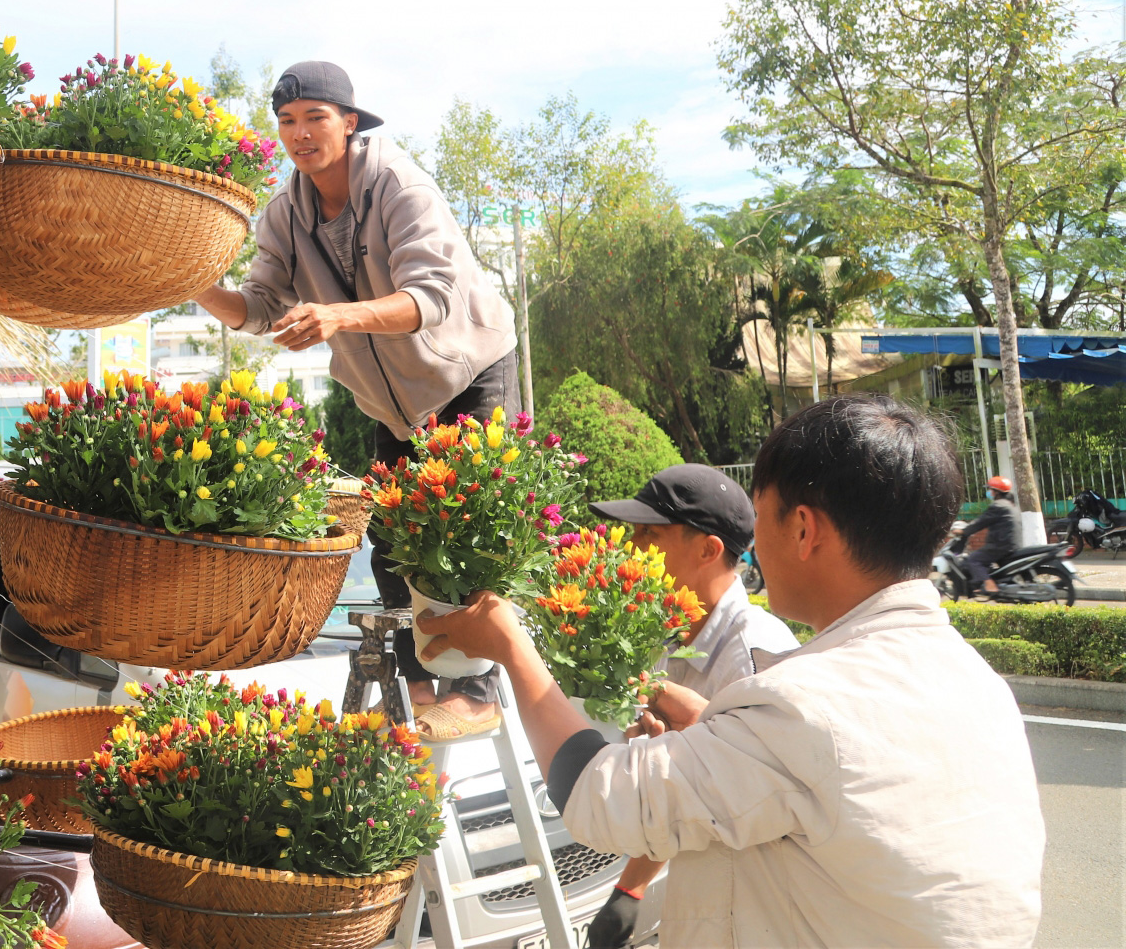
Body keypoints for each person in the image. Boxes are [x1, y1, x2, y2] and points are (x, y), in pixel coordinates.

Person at [416, 395, 1044, 947]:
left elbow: (599, 798)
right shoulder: (978, 683)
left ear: (802, 528)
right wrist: (712, 729)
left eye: (763, 514)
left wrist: (512, 648)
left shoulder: (799, 699)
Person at [193, 61, 518, 739]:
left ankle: (478, 688)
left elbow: (431, 299)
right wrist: (192, 281)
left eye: (315, 117)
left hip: (466, 371)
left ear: (349, 121)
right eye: (287, 121)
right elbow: (257, 307)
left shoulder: (399, 184)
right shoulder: (286, 213)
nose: (300, 133)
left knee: (466, 527)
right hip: (390, 401)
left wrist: (338, 318)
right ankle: (422, 680)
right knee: (395, 541)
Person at [579, 464, 801, 949]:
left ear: (708, 549)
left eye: (648, 533)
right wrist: (629, 888)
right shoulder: (669, 633)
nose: (631, 546)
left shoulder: (756, 656)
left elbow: (761, 799)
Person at [958, 475, 1019, 597]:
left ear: (996, 492)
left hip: (1000, 545)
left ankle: (990, 585)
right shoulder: (1010, 505)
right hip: (1011, 544)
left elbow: (981, 522)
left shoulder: (998, 506)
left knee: (974, 560)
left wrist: (964, 531)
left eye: (991, 490)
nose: (989, 492)